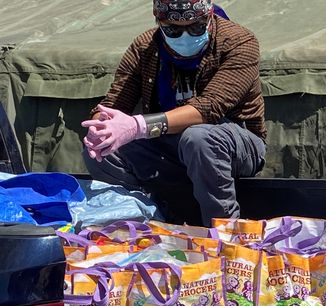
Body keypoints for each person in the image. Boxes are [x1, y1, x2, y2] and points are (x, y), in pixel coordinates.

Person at [81, 0, 266, 226]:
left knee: (199, 138)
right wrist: (100, 126)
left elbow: (211, 107)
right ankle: (142, 223)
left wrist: (138, 126)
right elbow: (115, 101)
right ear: (159, 22)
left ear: (208, 17)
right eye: (174, 30)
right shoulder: (144, 46)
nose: (185, 36)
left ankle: (224, 232)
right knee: (104, 146)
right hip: (169, 144)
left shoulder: (239, 42)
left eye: (196, 27)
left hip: (236, 143)